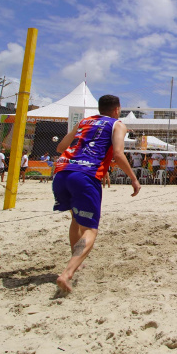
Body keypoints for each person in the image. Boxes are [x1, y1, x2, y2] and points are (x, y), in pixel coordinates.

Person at [52, 94, 140, 295]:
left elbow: (60, 147)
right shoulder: (117, 124)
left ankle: (76, 261)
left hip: (61, 173)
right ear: (117, 110)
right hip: (86, 176)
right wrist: (133, 179)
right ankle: (67, 273)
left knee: (75, 219)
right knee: (91, 229)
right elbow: (118, 154)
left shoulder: (85, 121)